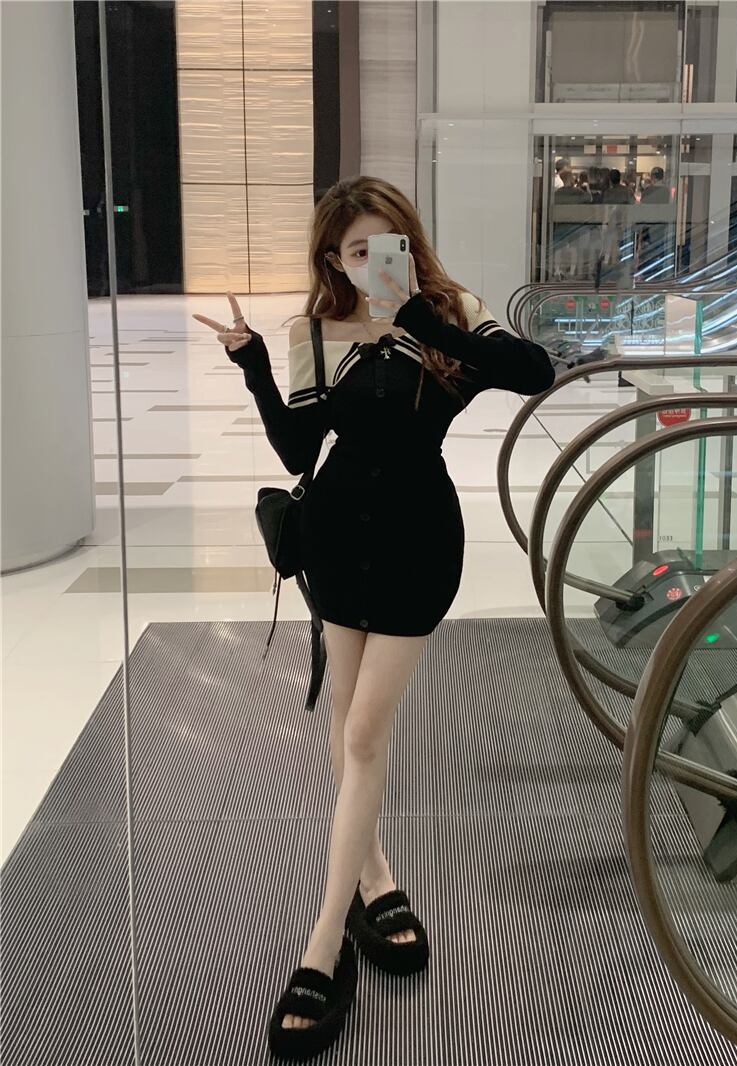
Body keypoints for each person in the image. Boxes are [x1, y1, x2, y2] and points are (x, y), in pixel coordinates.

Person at [193, 175, 555, 1060]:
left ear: (408, 239)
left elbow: (534, 373)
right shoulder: (316, 333)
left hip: (417, 543)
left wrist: (417, 318)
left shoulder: (453, 312)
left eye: (387, 242)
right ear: (332, 258)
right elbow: (297, 449)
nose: (373, 260)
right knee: (351, 724)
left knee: (363, 732)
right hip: (335, 537)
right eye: (357, 250)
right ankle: (376, 877)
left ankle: (324, 943)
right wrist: (253, 365)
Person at [552, 166, 591, 278]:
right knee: (574, 249)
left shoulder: (557, 193)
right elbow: (589, 200)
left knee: (558, 249)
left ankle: (557, 270)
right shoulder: (578, 192)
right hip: (574, 224)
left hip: (560, 223)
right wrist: (587, 189)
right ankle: (572, 270)